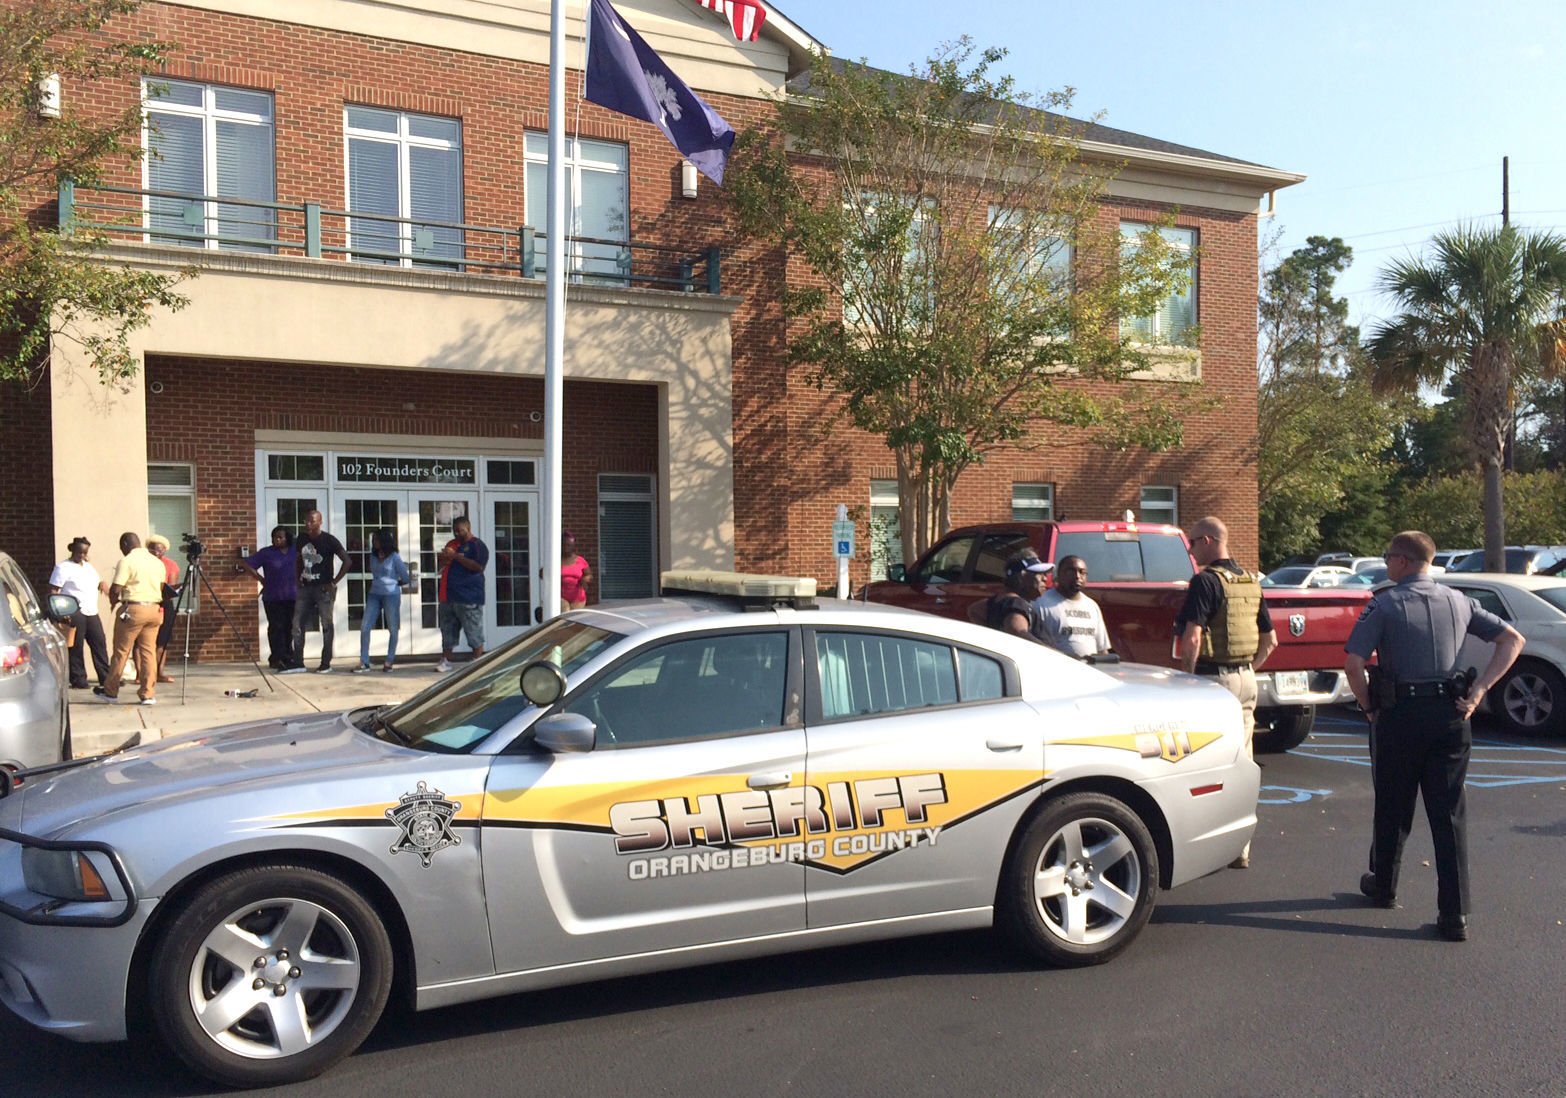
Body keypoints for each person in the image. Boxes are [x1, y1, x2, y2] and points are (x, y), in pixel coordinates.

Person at [1344, 530, 1523, 942]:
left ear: (1403, 561)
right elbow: (1512, 640)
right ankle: (1454, 914)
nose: (1387, 562)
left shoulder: (1384, 604)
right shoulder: (1460, 601)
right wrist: (1480, 692)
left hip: (1399, 715)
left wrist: (1369, 706)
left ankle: (1384, 885)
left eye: (1389, 556)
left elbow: (1354, 664)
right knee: (1448, 815)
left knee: (1392, 803)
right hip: (1450, 714)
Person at [1175, 516, 1277, 869]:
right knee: (1243, 761)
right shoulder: (1251, 581)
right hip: (1246, 678)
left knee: (1207, 764)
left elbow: (1193, 637)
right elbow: (1270, 640)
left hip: (1213, 682)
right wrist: (1247, 667)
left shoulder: (1205, 582)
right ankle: (1241, 846)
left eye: (1192, 543)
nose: (1190, 549)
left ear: (1207, 540)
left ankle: (1209, 844)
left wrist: (1186, 678)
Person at [94, 532, 166, 705]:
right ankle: (148, 693)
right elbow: (162, 587)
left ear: (126, 544)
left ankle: (111, 691)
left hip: (133, 608)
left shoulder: (127, 561)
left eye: (121, 547)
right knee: (148, 651)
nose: (121, 551)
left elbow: (116, 588)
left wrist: (113, 601)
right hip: (154, 609)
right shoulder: (157, 562)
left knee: (121, 651)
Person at [284, 510, 349, 674]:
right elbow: (298, 559)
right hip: (305, 587)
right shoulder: (302, 539)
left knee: (326, 625)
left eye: (312, 521)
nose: (308, 524)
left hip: (323, 589)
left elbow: (347, 561)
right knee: (297, 625)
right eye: (306, 521)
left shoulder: (329, 540)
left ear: (320, 522)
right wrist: (297, 578)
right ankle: (298, 662)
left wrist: (333, 582)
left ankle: (325, 663)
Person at [49, 536, 109, 688]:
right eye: (79, 552)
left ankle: (106, 677)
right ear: (73, 550)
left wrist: (102, 584)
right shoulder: (63, 567)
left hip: (91, 610)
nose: (82, 555)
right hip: (75, 610)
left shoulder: (88, 567)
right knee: (76, 646)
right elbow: (54, 590)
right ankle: (78, 679)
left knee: (99, 643)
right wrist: (61, 612)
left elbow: (95, 581)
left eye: (85, 552)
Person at [435, 516, 488, 672]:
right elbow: (442, 564)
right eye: (455, 531)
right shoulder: (452, 544)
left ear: (468, 529)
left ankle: (478, 661)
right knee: (447, 630)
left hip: (469, 596)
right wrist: (443, 558)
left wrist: (456, 556)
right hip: (448, 595)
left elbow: (478, 567)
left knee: (473, 630)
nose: (457, 533)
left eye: (460, 531)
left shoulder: (477, 546)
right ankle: (446, 660)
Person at [241, 527, 298, 670]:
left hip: (291, 595)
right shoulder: (267, 553)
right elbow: (246, 564)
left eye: (280, 537)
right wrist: (260, 578)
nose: (277, 540)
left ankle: (288, 655)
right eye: (274, 537)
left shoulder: (294, 551)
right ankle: (276, 658)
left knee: (289, 627)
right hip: (273, 597)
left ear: (287, 538)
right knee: (276, 627)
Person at [1033, 555, 1111, 658]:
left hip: (1090, 671)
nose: (1078, 576)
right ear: (1059, 575)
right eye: (1071, 571)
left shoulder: (1092, 606)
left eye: (1082, 572)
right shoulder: (1042, 603)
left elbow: (1102, 649)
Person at [357, 528, 410, 673]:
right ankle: (364, 661)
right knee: (365, 626)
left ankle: (389, 661)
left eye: (376, 540)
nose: (374, 543)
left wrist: (395, 583)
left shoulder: (394, 557)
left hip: (391, 595)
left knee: (392, 628)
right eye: (373, 540)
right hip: (374, 593)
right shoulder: (373, 556)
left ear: (384, 541)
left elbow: (405, 577)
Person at [968, 552, 1053, 641]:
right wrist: (1052, 653)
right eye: (1039, 574)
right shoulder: (1016, 603)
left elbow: (973, 610)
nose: (1045, 578)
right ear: (1022, 576)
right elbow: (1017, 632)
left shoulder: (998, 601)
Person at [146, 534, 182, 685]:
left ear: (165, 551)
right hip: (147, 601)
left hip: (164, 603)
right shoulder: (144, 563)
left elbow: (170, 588)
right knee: (144, 640)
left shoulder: (170, 565)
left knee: (162, 640)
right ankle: (142, 674)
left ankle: (159, 672)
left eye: (160, 550)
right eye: (153, 550)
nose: (156, 553)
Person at [561, 530, 592, 610]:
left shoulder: (580, 561)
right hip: (561, 597)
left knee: (575, 618)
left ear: (573, 546)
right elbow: (543, 573)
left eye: (569, 545)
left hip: (578, 598)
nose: (566, 547)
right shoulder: (555, 561)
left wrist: (585, 579)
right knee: (565, 612)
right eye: (564, 545)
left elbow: (588, 574)